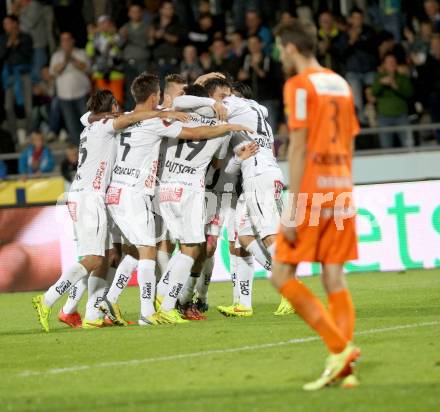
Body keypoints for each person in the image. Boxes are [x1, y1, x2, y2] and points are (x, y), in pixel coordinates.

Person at [31, 88, 189, 332]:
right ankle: (48, 299)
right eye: (116, 106)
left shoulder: (91, 123)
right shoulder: (106, 124)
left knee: (105, 256)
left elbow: (93, 117)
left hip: (89, 195)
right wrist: (168, 112)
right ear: (113, 107)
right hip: (89, 198)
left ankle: (92, 313)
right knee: (93, 258)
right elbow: (131, 118)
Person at [100, 73, 251, 326]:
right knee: (188, 247)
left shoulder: (167, 115)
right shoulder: (205, 124)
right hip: (175, 188)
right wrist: (227, 127)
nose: (226, 102)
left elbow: (180, 102)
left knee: (144, 250)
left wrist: (205, 91)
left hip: (161, 189)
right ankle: (164, 301)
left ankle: (119, 299)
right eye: (222, 97)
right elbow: (216, 161)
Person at [273, 21, 361, 391]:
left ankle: (339, 348)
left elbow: (298, 144)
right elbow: (352, 140)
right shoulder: (340, 83)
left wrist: (291, 204)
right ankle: (344, 369)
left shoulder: (298, 85)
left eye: (280, 49)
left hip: (311, 190)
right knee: (333, 277)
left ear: (291, 48)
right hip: (341, 188)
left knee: (280, 275)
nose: (280, 55)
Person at [49, 32, 91, 145]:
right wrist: (65, 60)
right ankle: (79, 148)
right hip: (64, 96)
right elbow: (54, 71)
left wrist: (71, 58)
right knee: (71, 125)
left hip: (81, 94)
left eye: (68, 39)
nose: (66, 42)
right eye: (63, 40)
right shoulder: (56, 56)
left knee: (88, 121)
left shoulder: (81, 53)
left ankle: (91, 144)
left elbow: (86, 67)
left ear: (73, 41)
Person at [340, 7, 378, 122]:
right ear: (350, 19)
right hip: (353, 72)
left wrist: (358, 39)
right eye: (355, 18)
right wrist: (351, 41)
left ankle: (375, 122)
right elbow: (341, 54)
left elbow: (373, 49)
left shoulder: (369, 32)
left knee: (373, 99)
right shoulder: (345, 35)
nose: (358, 20)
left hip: (369, 70)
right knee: (357, 102)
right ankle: (361, 124)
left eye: (360, 18)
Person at [237, 35, 283, 131]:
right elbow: (241, 77)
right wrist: (241, 77)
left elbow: (273, 79)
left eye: (255, 43)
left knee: (270, 128)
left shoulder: (268, 59)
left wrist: (256, 68)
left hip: (268, 99)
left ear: (261, 45)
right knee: (252, 129)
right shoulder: (245, 59)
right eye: (250, 43)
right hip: (250, 100)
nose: (252, 46)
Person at [0, 14, 33, 138]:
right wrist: (9, 45)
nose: (5, 26)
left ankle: (31, 134)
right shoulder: (3, 39)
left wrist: (18, 44)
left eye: (7, 23)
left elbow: (28, 55)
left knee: (28, 107)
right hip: (9, 76)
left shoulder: (26, 37)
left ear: (15, 24)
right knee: (8, 107)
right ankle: (14, 136)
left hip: (24, 75)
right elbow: (1, 56)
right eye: (4, 24)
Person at [371, 53, 414, 148]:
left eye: (393, 61)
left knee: (409, 145)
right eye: (389, 62)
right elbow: (374, 92)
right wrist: (381, 83)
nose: (392, 64)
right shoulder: (378, 77)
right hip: (384, 117)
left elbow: (409, 93)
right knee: (386, 147)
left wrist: (396, 87)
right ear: (384, 65)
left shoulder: (402, 78)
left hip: (401, 116)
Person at [87, 15, 124, 104]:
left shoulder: (116, 36)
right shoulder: (94, 38)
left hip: (116, 73)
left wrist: (114, 36)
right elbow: (90, 53)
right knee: (103, 103)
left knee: (117, 102)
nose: (105, 25)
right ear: (98, 26)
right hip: (100, 74)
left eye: (107, 23)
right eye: (102, 23)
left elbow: (119, 50)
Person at [119, 4, 150, 110]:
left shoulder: (147, 27)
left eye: (137, 11)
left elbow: (149, 44)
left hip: (143, 61)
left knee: (144, 88)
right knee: (130, 89)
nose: (135, 14)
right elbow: (119, 45)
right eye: (132, 11)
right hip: (128, 62)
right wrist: (123, 37)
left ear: (141, 13)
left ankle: (145, 112)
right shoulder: (125, 27)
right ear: (129, 14)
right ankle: (131, 113)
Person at [17, 0, 48, 83]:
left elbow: (29, 23)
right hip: (30, 46)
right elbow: (22, 27)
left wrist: (19, 14)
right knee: (32, 75)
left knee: (38, 74)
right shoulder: (25, 8)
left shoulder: (34, 5)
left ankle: (44, 95)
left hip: (38, 45)